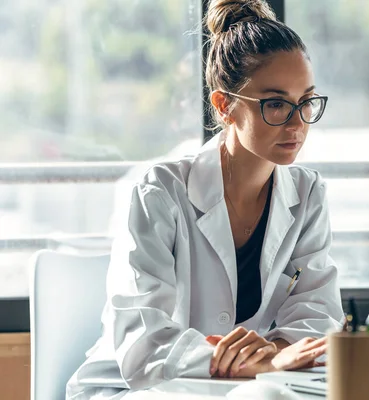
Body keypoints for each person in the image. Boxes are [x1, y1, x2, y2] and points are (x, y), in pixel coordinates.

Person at [66, 0, 344, 398]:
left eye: (306, 101)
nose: (298, 123)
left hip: (242, 386)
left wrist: (276, 354)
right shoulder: (159, 191)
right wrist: (257, 363)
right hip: (135, 388)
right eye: (277, 104)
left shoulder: (307, 193)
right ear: (224, 105)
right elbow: (144, 345)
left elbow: (318, 314)